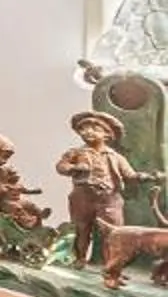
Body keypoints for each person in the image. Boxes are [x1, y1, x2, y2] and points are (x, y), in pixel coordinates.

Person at [55, 111, 153, 266]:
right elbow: (61, 166)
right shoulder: (75, 153)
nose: (88, 132)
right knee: (81, 229)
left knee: (114, 232)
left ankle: (111, 265)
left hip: (109, 199)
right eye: (83, 129)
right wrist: (74, 168)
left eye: (95, 129)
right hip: (83, 198)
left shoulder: (116, 157)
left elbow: (129, 175)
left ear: (107, 135)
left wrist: (142, 177)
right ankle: (79, 258)